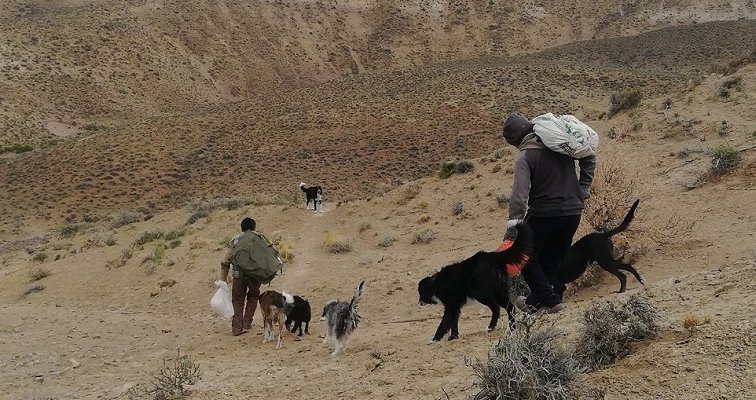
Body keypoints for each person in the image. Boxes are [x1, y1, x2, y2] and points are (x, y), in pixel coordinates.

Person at [502, 113, 595, 314]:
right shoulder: (560, 143)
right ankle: (536, 303)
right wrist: (584, 186)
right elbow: (589, 154)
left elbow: (519, 196)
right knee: (550, 259)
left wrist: (513, 229)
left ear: (514, 141)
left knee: (522, 254)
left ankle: (551, 302)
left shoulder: (525, 155)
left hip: (546, 213)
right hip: (573, 213)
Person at [220, 217, 261, 336]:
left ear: (241, 228)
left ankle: (237, 329)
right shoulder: (259, 238)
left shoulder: (235, 240)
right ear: (254, 227)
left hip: (238, 275)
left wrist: (223, 280)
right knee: (253, 297)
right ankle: (247, 324)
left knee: (238, 300)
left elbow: (225, 262)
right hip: (254, 275)